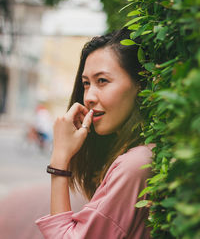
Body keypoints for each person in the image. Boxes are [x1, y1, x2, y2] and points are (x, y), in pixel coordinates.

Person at [35, 28, 154, 238]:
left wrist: (60, 160)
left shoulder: (135, 164)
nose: (88, 96)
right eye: (86, 83)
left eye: (102, 81)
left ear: (140, 84)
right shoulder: (134, 155)